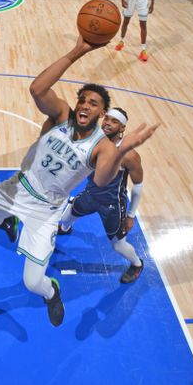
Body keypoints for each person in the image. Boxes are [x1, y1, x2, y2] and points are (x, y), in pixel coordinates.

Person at [0, 37, 158, 327]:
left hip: (46, 209)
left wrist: (123, 149)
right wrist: (78, 51)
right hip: (16, 188)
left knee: (32, 283)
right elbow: (37, 88)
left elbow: (101, 179)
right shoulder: (61, 115)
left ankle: (51, 292)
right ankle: (4, 221)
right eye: (82, 100)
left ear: (102, 113)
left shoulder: (103, 147)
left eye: (93, 103)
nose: (85, 105)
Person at [57, 107, 145, 284]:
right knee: (66, 216)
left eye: (114, 122)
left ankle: (136, 264)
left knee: (118, 245)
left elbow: (138, 185)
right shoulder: (93, 141)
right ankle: (65, 229)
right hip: (91, 194)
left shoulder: (128, 155)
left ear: (122, 128)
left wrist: (130, 216)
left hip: (111, 205)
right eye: (107, 119)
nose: (108, 123)